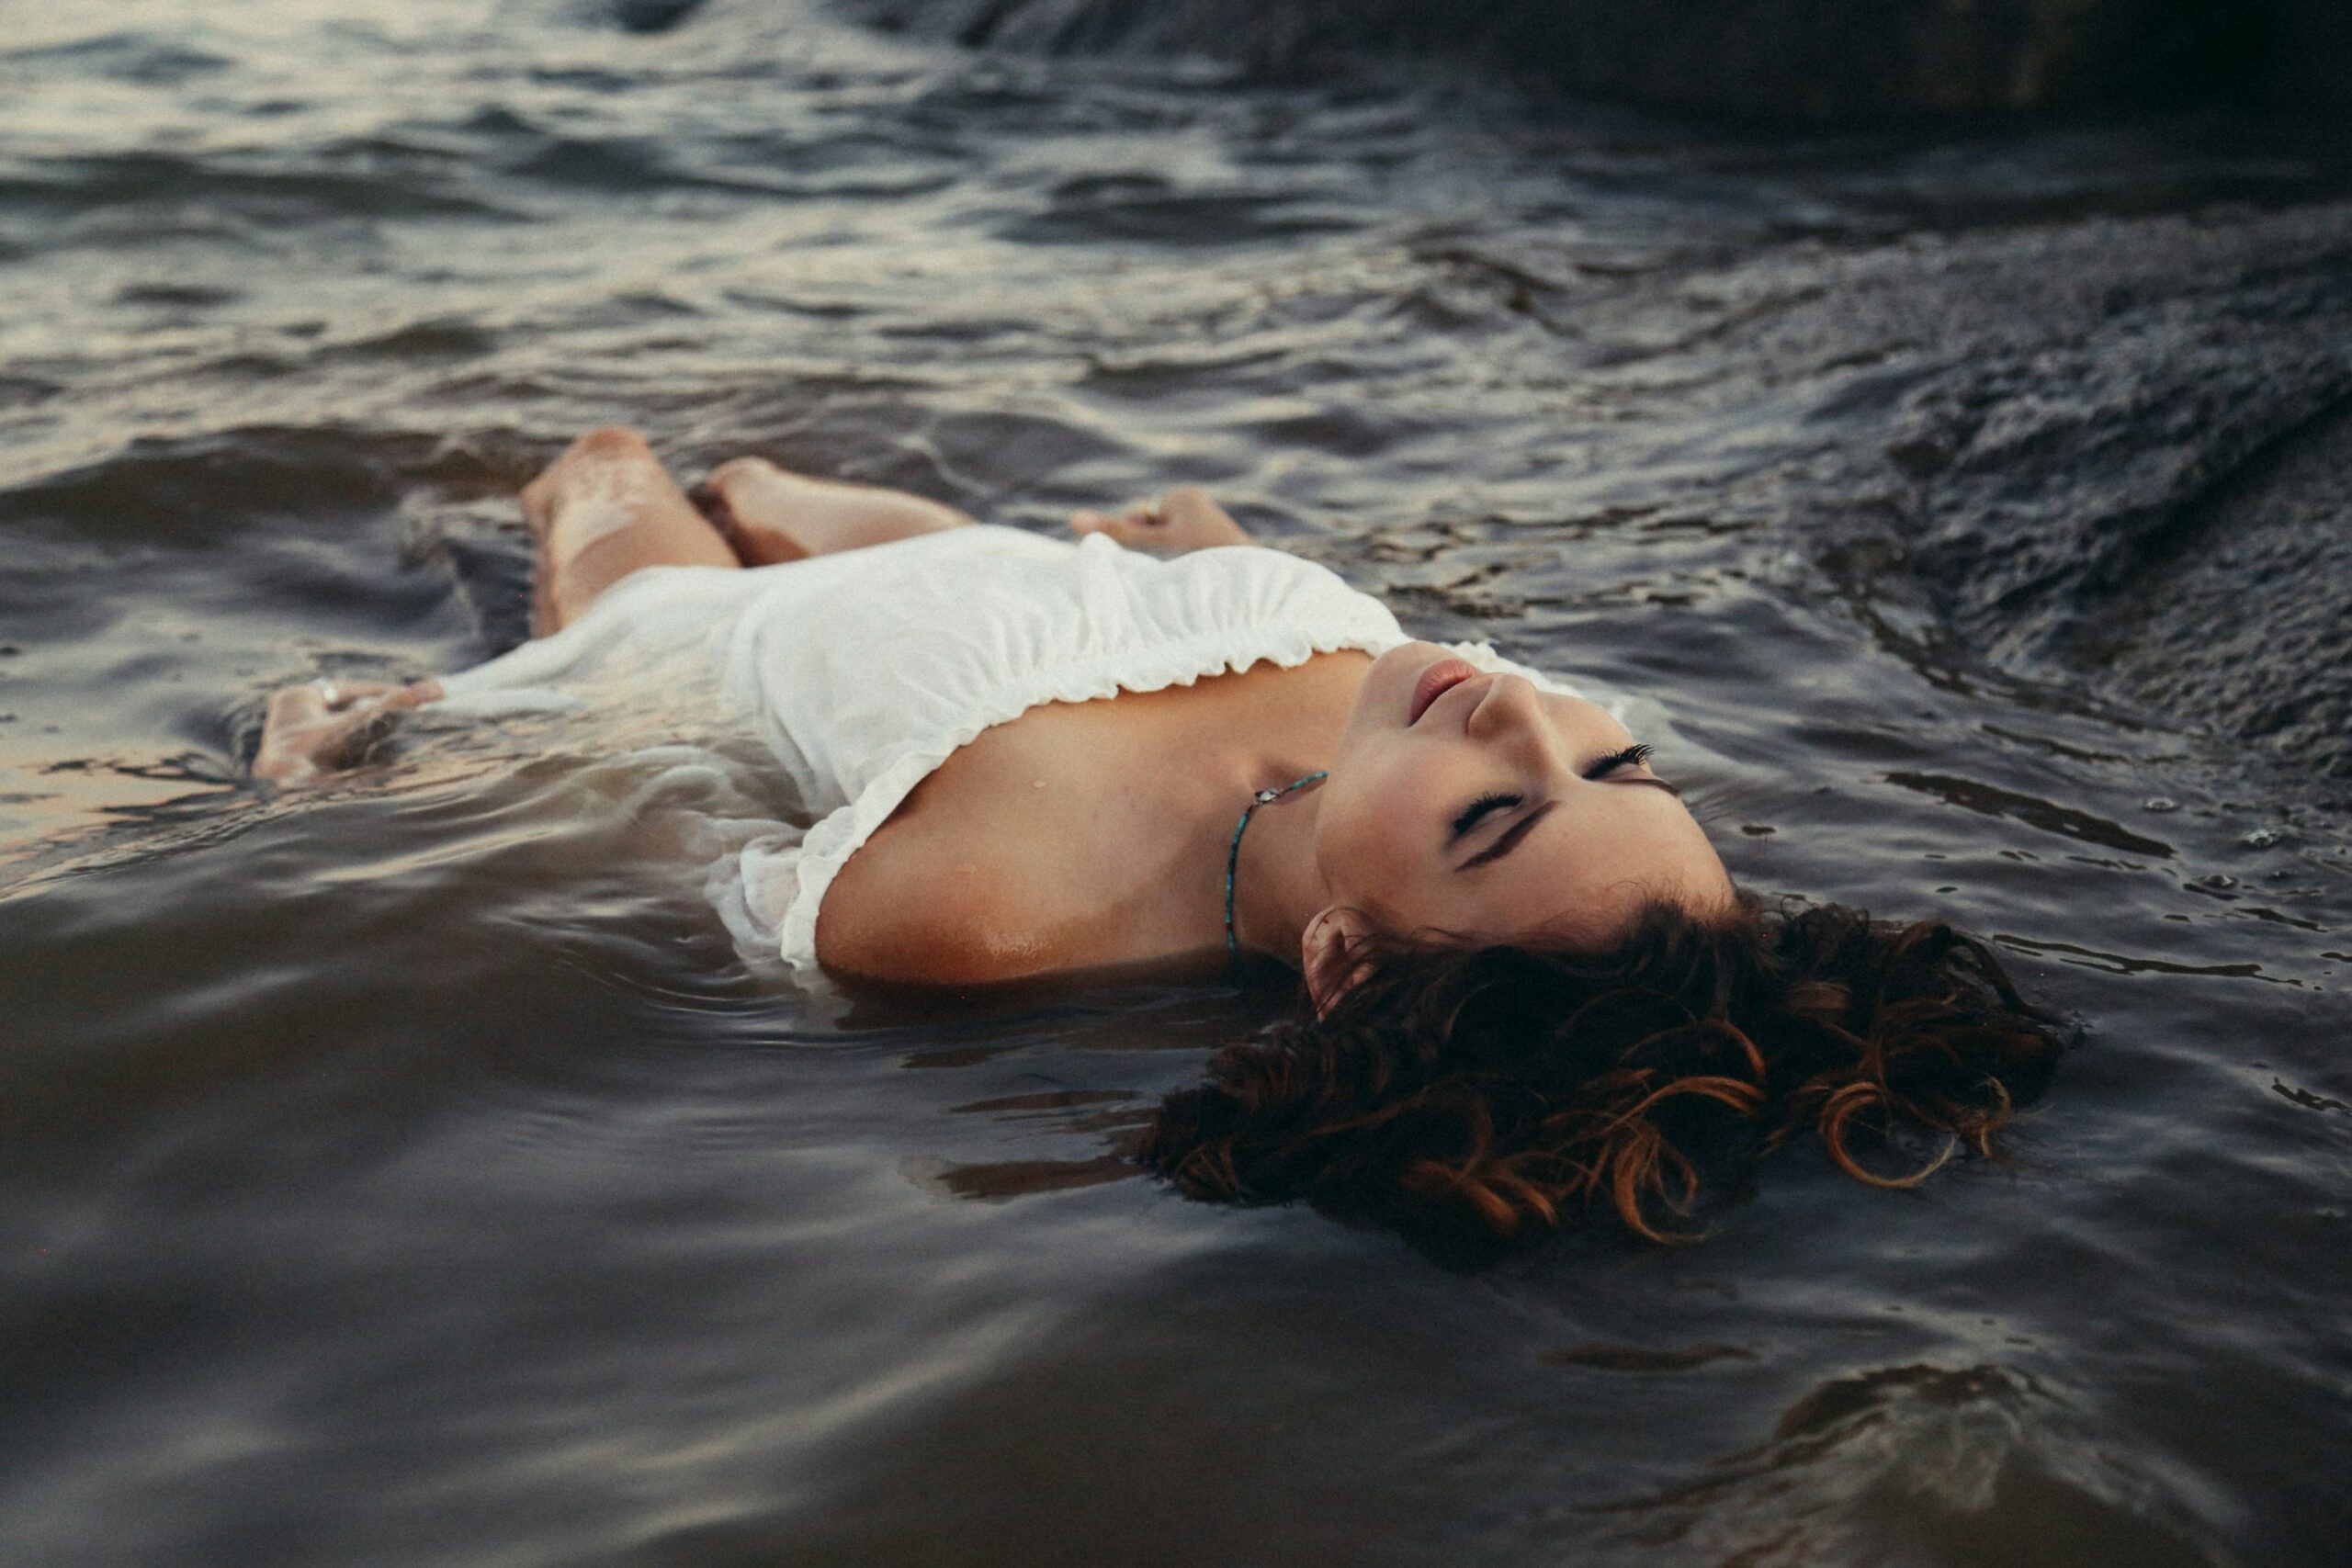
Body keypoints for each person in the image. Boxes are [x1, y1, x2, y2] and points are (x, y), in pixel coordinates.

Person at [255, 427, 2064, 1248]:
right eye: (1621, 760)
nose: (1526, 716)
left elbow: (654, 800)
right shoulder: (1471, 716)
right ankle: (776, 501)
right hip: (994, 566)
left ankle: (683, 511)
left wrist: (379, 771)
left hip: (713, 654)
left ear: (1343, 960)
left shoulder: (990, 916)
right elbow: (1443, 693)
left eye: (1501, 813)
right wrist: (1221, 550)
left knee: (616, 461)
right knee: (775, 483)